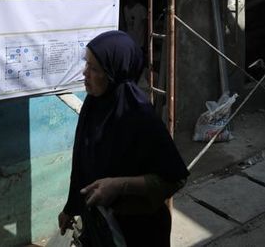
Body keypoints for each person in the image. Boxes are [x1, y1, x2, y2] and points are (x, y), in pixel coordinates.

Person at [59, 31, 188, 246]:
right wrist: (70, 208)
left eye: (94, 68)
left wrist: (119, 186)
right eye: (86, 63)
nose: (85, 73)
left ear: (113, 74)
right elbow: (81, 163)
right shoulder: (93, 105)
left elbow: (175, 179)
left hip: (139, 232)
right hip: (100, 228)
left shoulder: (140, 116)